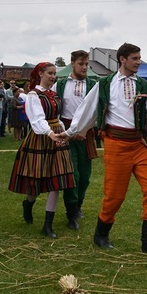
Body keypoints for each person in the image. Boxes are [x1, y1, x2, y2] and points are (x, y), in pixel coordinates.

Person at [64, 43, 147, 254]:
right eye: (135, 58)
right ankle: (101, 234)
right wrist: (70, 132)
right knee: (114, 195)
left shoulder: (145, 86)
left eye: (139, 58)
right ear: (122, 59)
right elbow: (87, 110)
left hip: (138, 144)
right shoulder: (105, 84)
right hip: (115, 144)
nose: (139, 61)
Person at [8, 62, 74, 238]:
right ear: (40, 74)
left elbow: (56, 117)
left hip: (56, 135)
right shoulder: (32, 95)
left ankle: (47, 225)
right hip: (40, 137)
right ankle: (28, 204)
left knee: (56, 181)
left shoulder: (54, 94)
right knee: (36, 183)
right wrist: (50, 133)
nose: (53, 77)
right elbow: (36, 119)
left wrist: (62, 132)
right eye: (50, 73)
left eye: (54, 74)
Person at [55, 50, 98, 229]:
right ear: (72, 63)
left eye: (87, 64)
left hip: (86, 133)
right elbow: (55, 110)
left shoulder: (94, 84)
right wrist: (65, 130)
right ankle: (71, 213)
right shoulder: (61, 84)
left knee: (85, 176)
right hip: (66, 132)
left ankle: (78, 205)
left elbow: (97, 111)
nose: (84, 67)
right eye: (81, 63)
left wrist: (85, 129)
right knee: (73, 175)